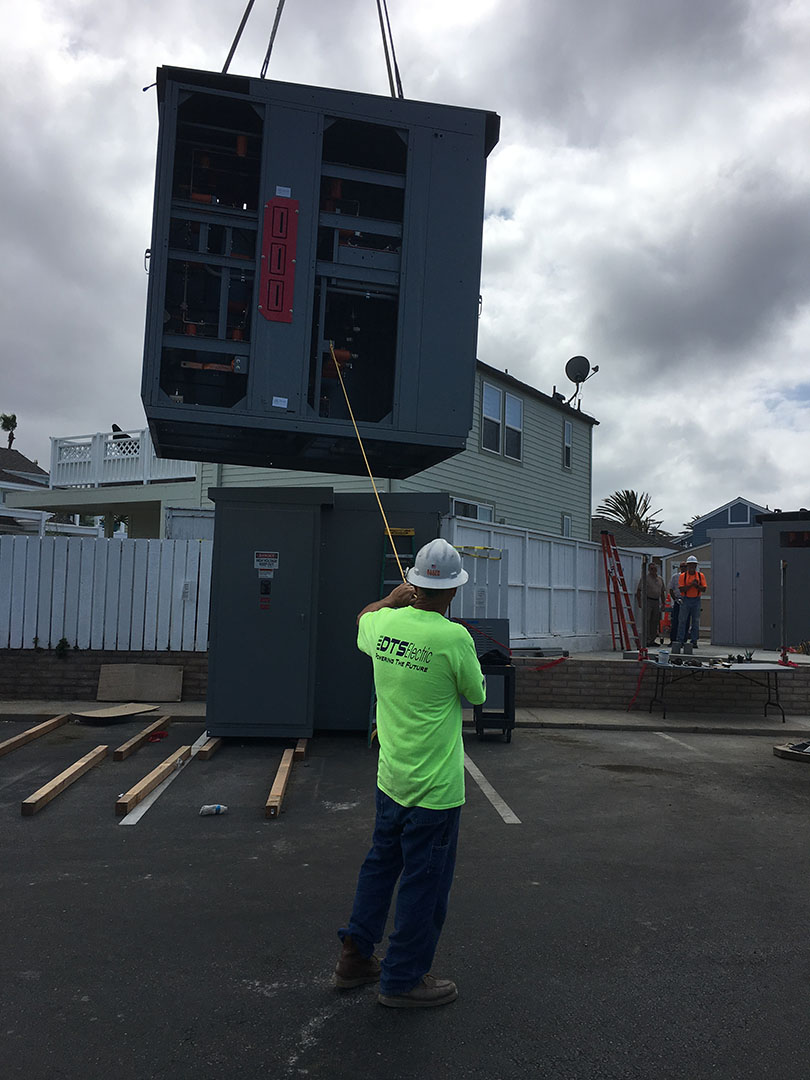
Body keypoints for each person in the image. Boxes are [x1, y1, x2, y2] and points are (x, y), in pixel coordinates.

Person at [334, 538, 486, 1008]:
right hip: (435, 790)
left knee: (380, 867)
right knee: (425, 883)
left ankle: (355, 957)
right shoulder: (454, 638)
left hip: (392, 780)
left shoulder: (384, 624)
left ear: (414, 584)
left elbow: (362, 617)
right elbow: (477, 694)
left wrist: (389, 600)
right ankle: (403, 979)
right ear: (454, 590)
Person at [635, 560, 667, 646]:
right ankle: (647, 640)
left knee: (655, 621)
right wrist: (639, 602)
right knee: (647, 620)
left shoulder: (660, 579)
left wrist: (663, 603)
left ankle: (652, 640)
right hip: (648, 601)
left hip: (656, 601)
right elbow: (638, 590)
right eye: (651, 569)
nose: (653, 570)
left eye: (655, 568)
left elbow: (662, 592)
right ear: (649, 570)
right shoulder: (645, 578)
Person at [678, 555, 706, 648]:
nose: (692, 567)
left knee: (695, 621)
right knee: (682, 621)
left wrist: (697, 586)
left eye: (693, 565)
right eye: (690, 565)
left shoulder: (700, 576)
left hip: (696, 600)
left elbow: (704, 589)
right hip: (685, 599)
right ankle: (681, 640)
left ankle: (694, 641)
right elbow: (681, 589)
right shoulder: (683, 576)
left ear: (696, 566)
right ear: (687, 566)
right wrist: (691, 585)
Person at [668, 562, 687, 645]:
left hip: (687, 601)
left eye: (685, 566)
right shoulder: (675, 577)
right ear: (680, 567)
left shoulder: (689, 577)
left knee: (685, 621)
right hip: (678, 600)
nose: (684, 568)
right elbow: (671, 589)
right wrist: (675, 599)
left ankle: (683, 640)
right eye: (682, 566)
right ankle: (673, 640)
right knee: (675, 620)